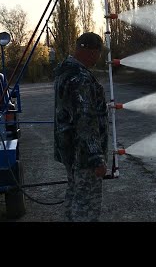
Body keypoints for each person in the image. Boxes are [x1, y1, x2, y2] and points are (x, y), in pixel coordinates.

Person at [53, 32, 109, 222]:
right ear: (92, 52)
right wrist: (96, 158)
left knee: (74, 196)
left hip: (69, 151)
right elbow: (85, 121)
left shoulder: (64, 73)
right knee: (87, 206)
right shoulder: (81, 78)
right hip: (83, 155)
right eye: (98, 54)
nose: (98, 58)